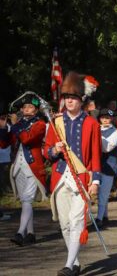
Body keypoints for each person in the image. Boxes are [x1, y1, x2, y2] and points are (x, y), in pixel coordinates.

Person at [44, 72, 101, 276]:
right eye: (66, 97)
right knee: (65, 223)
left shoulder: (91, 123)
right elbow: (47, 152)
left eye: (73, 98)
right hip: (60, 177)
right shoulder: (55, 122)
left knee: (77, 221)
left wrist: (95, 180)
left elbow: (95, 155)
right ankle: (74, 261)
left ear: (81, 100)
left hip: (82, 178)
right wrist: (54, 150)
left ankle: (68, 265)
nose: (69, 101)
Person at [0, 93, 47, 246]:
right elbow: (4, 144)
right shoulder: (17, 124)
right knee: (25, 202)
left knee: (27, 199)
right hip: (18, 166)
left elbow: (27, 138)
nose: (27, 109)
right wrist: (2, 127)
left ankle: (20, 232)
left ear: (36, 111)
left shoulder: (39, 124)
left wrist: (15, 125)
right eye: (25, 107)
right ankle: (31, 234)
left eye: (30, 107)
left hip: (33, 167)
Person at [96, 109, 117, 228]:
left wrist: (96, 136)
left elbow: (107, 148)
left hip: (109, 166)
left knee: (104, 193)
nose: (105, 120)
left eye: (108, 118)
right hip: (96, 165)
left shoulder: (115, 132)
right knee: (100, 192)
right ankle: (104, 216)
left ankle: (99, 218)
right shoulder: (96, 129)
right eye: (103, 117)